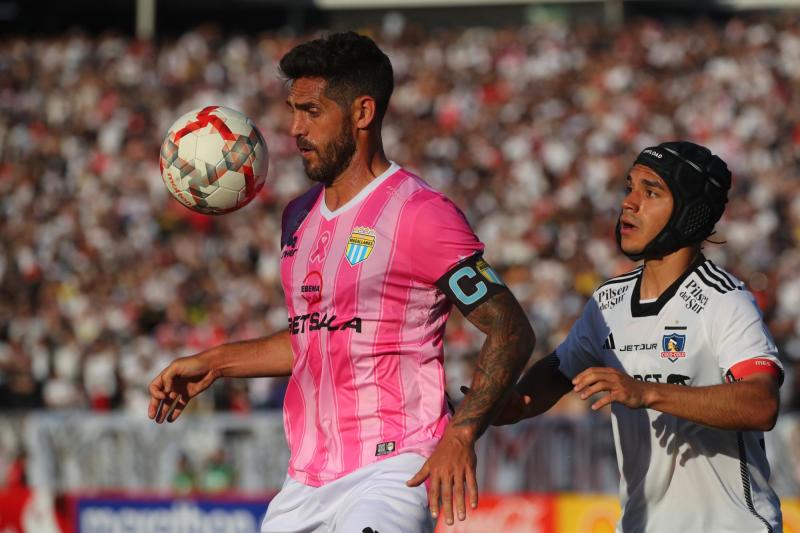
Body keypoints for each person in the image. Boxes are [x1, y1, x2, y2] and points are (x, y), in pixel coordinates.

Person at [148, 31, 534, 532]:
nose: (294, 128)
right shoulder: (297, 217)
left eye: (311, 111)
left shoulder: (421, 214)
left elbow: (510, 328)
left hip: (393, 468)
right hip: (306, 480)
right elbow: (318, 337)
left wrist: (460, 435)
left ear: (362, 113)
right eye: (292, 110)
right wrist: (217, 363)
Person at [489, 141, 783, 532]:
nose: (629, 202)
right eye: (629, 187)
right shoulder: (608, 301)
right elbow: (558, 371)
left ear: (689, 212)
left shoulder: (724, 299)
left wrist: (646, 392)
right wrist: (517, 403)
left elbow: (761, 404)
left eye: (651, 191)